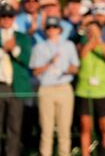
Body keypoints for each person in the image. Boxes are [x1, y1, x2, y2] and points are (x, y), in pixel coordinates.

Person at [0, 2, 32, 156]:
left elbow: (26, 60)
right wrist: (2, 50)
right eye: (4, 16)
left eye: (9, 16)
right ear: (0, 18)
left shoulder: (21, 38)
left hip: (16, 86)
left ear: (13, 19)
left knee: (14, 127)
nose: (7, 19)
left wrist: (14, 49)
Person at [30, 16, 80, 156]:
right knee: (46, 130)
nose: (52, 30)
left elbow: (75, 68)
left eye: (54, 27)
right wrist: (49, 63)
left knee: (65, 130)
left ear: (59, 29)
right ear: (46, 30)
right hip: (47, 88)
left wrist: (68, 69)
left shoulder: (68, 45)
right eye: (49, 28)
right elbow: (35, 71)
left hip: (64, 87)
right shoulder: (39, 47)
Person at [75, 18, 105, 156]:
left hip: (103, 92)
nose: (92, 33)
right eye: (89, 31)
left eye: (95, 30)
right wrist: (91, 41)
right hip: (84, 91)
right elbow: (82, 55)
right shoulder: (82, 46)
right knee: (85, 127)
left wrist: (99, 40)